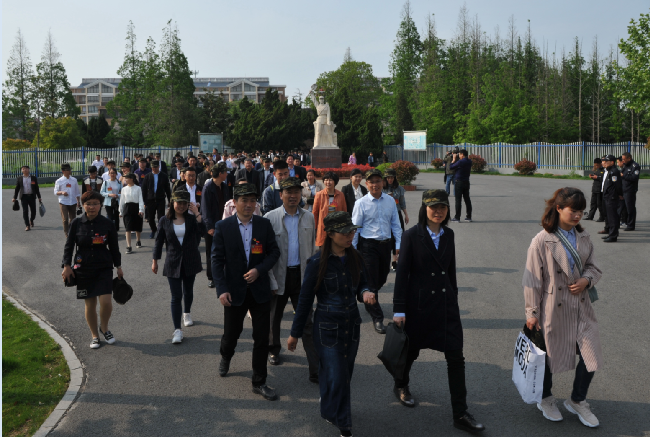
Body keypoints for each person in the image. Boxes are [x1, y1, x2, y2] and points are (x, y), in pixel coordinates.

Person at [391, 189, 485, 433]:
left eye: (443, 207)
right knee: (411, 352)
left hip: (445, 306)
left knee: (456, 357)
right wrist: (399, 309)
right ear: (424, 209)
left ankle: (460, 413)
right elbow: (402, 275)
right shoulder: (411, 235)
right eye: (433, 207)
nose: (438, 211)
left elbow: (450, 269)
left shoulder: (449, 234)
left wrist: (454, 296)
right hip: (419, 306)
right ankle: (401, 384)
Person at [288, 212, 375, 437]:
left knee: (341, 373)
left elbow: (363, 284)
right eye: (344, 232)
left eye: (352, 231)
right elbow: (305, 300)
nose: (350, 236)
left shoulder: (356, 257)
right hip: (327, 328)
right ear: (330, 234)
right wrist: (295, 333)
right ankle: (345, 425)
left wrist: (365, 292)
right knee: (338, 376)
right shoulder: (317, 263)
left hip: (351, 326)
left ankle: (328, 409)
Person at [523, 187, 603, 428]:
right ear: (558, 208)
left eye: (581, 211)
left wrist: (586, 280)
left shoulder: (584, 236)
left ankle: (577, 400)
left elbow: (594, 267)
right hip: (552, 308)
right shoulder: (541, 240)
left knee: (591, 355)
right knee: (548, 356)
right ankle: (546, 398)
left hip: (581, 307)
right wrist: (532, 312)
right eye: (573, 210)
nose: (577, 215)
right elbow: (532, 280)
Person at [211, 183, 281, 401]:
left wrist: (259, 270)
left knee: (261, 337)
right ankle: (226, 356)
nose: (249, 204)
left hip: (260, 291)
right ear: (235, 203)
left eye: (252, 200)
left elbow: (274, 252)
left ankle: (259, 381)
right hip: (234, 291)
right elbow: (216, 260)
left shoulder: (263, 224)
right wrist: (222, 289)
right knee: (231, 334)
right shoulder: (223, 227)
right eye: (244, 200)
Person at [264, 177, 319, 378]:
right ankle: (273, 350)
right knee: (274, 318)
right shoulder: (269, 218)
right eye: (288, 192)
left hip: (301, 275)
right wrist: (270, 279)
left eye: (296, 192)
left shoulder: (309, 217)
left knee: (307, 321)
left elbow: (313, 248)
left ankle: (315, 366)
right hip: (279, 275)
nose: (293, 196)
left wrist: (313, 278)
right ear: (281, 195)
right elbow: (265, 253)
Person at [62, 191, 123, 349]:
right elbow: (69, 246)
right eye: (88, 204)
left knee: (106, 302)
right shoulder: (76, 223)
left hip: (104, 266)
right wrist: (66, 265)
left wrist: (118, 266)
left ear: (100, 205)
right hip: (83, 268)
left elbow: (114, 247)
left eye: (95, 204)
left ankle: (105, 328)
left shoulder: (107, 223)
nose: (92, 207)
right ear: (83, 205)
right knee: (90, 304)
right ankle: (95, 335)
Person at [351, 169, 402, 334]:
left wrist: (399, 244)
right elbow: (355, 228)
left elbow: (396, 224)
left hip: (385, 245)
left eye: (378, 181)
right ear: (366, 184)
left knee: (382, 277)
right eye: (371, 182)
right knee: (372, 282)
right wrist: (353, 250)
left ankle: (364, 294)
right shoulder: (361, 203)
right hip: (368, 246)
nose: (375, 185)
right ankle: (377, 317)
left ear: (383, 182)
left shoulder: (390, 201)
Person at [153, 190, 206, 344]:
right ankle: (177, 330)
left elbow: (204, 233)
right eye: (179, 203)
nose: (181, 206)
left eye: (184, 203)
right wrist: (155, 260)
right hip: (173, 261)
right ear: (172, 203)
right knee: (176, 296)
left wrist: (197, 214)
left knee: (188, 291)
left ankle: (187, 312)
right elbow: (158, 241)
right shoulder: (164, 220)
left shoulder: (191, 219)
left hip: (191, 260)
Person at [201, 163, 230, 288]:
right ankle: (211, 277)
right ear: (220, 174)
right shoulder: (208, 187)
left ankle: (224, 275)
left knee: (225, 251)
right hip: (212, 226)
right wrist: (209, 227)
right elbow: (205, 209)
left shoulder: (224, 187)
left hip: (224, 224)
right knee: (211, 252)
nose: (227, 174)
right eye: (225, 172)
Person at [313, 171, 347, 249]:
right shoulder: (319, 195)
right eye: (326, 180)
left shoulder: (340, 195)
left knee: (336, 249)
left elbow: (344, 211)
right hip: (323, 228)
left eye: (330, 180)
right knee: (323, 251)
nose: (328, 182)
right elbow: (315, 213)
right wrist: (314, 228)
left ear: (335, 182)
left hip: (337, 228)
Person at [383, 169, 409, 271]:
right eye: (388, 178)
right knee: (386, 237)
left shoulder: (399, 189)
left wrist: (406, 215)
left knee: (398, 236)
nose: (390, 179)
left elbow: (402, 203)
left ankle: (395, 261)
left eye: (392, 178)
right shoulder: (381, 188)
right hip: (385, 215)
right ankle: (385, 261)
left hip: (397, 214)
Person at [142, 161, 172, 239]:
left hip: (160, 199)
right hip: (150, 200)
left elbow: (167, 189)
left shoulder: (164, 176)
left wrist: (170, 200)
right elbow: (144, 190)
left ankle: (161, 231)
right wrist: (144, 201)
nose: (154, 169)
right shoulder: (147, 176)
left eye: (156, 167)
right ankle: (153, 229)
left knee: (161, 217)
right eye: (153, 167)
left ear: (158, 166)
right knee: (150, 218)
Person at [597, 155, 623, 243]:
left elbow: (617, 185)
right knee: (608, 216)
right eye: (603, 161)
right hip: (607, 196)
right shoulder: (609, 170)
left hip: (611, 197)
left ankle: (613, 236)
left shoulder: (614, 171)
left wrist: (620, 194)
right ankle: (611, 233)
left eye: (606, 161)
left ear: (612, 162)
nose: (604, 163)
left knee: (613, 217)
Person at [119, 173, 145, 253]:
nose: (125, 180)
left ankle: (138, 240)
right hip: (127, 208)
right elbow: (122, 201)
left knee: (137, 226)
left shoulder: (138, 188)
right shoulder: (124, 189)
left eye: (127, 178)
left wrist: (141, 210)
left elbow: (141, 199)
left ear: (132, 179)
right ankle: (129, 246)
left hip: (136, 208)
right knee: (128, 228)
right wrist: (120, 211)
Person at [54, 163, 81, 238]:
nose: (70, 171)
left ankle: (70, 231)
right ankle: (66, 233)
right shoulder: (59, 181)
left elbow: (77, 192)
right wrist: (62, 192)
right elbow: (55, 192)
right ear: (63, 171)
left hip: (73, 202)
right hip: (63, 202)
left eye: (70, 170)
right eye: (68, 170)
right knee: (65, 219)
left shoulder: (74, 180)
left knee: (73, 219)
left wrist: (78, 202)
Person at [13, 165, 42, 231]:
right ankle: (27, 225)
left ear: (29, 169)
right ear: (21, 170)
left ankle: (31, 220)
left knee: (33, 211)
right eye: (23, 169)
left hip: (32, 196)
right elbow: (17, 188)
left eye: (26, 168)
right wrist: (14, 197)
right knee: (25, 211)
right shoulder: (19, 178)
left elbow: (36, 188)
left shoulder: (33, 178)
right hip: (24, 197)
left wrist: (39, 197)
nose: (25, 170)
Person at [449, 149, 473, 223]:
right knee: (467, 199)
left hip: (459, 182)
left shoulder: (460, 162)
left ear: (462, 154)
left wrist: (453, 159)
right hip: (466, 181)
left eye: (459, 154)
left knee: (458, 200)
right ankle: (469, 216)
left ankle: (457, 217)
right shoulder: (469, 161)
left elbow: (451, 167)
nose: (459, 156)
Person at [620, 152, 640, 231]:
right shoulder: (625, 165)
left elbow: (634, 177)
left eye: (624, 159)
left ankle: (631, 225)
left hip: (630, 190)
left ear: (629, 158)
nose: (623, 161)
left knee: (630, 208)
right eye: (622, 159)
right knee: (622, 208)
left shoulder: (635, 166)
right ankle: (624, 222)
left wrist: (624, 176)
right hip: (623, 189)